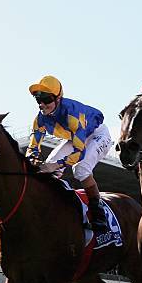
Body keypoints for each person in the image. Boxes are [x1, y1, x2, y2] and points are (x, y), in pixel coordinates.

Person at [26, 75, 112, 235]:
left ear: (58, 98)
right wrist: (32, 162)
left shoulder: (73, 113)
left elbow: (79, 152)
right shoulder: (40, 119)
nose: (42, 104)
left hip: (97, 134)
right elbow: (33, 148)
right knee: (49, 166)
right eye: (38, 100)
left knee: (81, 169)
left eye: (46, 99)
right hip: (76, 137)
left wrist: (56, 165)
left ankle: (99, 216)